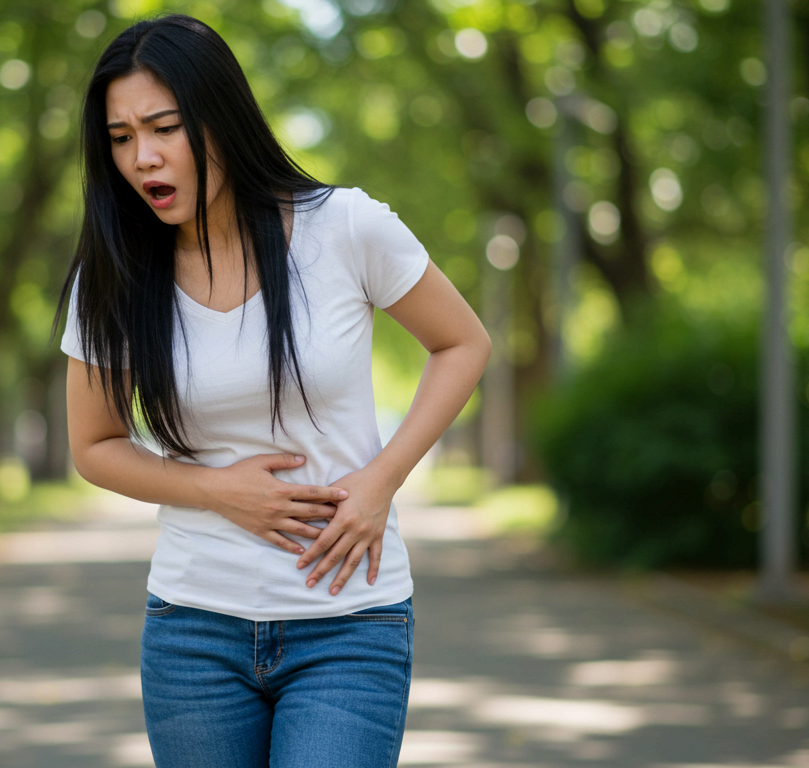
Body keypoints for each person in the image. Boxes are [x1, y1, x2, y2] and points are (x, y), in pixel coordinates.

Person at [58, 14, 490, 768]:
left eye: (163, 128)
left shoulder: (346, 227)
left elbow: (463, 343)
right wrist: (218, 491)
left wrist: (382, 480)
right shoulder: (115, 271)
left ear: (221, 120)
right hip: (193, 630)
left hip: (350, 623)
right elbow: (94, 447)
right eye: (121, 138)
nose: (143, 158)